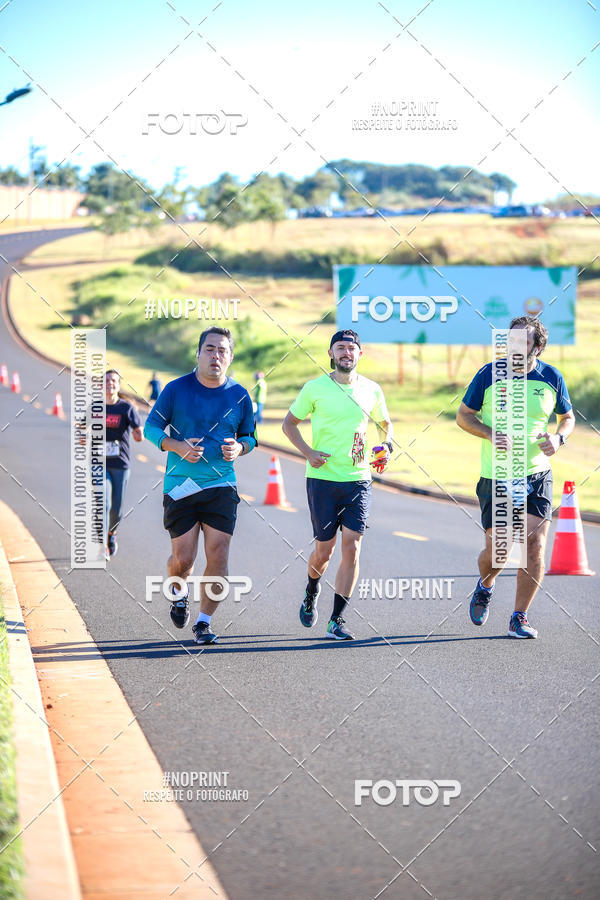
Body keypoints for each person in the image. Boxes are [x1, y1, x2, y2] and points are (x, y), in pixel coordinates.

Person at [456, 316, 575, 638]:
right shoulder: (488, 374)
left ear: (538, 346)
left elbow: (567, 417)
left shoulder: (551, 377)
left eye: (523, 342)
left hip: (537, 473)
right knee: (501, 551)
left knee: (534, 546)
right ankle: (486, 584)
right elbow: (464, 416)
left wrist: (559, 438)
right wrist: (489, 432)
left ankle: (519, 616)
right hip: (497, 476)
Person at [144, 327, 257, 644]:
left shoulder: (240, 395)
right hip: (180, 484)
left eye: (222, 350)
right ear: (198, 353)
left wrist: (240, 448)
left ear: (230, 357)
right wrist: (176, 446)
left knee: (219, 554)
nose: (215, 355)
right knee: (184, 559)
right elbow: (151, 427)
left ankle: (204, 623)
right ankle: (178, 593)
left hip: (221, 483)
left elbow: (250, 436)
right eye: (210, 349)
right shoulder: (176, 389)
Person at [282, 330, 393, 640]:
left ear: (360, 354)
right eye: (340, 347)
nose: (346, 352)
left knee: (353, 547)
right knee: (324, 551)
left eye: (351, 348)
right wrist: (308, 452)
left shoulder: (372, 389)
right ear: (331, 353)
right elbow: (288, 424)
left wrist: (386, 446)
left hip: (358, 479)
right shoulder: (314, 388)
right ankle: (311, 589)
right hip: (323, 480)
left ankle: (337, 619)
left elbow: (385, 424)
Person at [105, 370, 143, 559]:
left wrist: (138, 434)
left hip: (120, 463)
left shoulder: (125, 408)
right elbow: (81, 427)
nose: (110, 383)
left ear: (118, 385)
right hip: (99, 463)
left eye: (113, 381)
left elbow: (138, 433)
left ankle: (111, 534)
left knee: (116, 509)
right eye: (106, 380)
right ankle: (101, 544)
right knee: (104, 502)